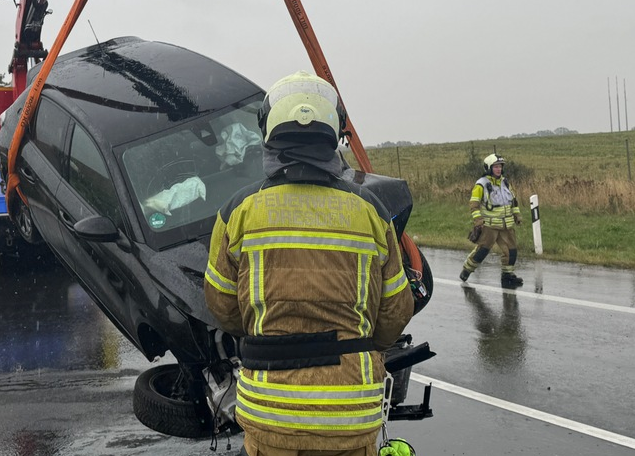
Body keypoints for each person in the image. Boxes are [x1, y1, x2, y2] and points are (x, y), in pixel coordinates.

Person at [204, 71, 415, 456]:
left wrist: (262, 333)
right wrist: (364, 346)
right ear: (334, 133)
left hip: (269, 412)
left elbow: (221, 306)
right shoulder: (371, 212)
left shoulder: (238, 212)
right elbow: (396, 310)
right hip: (350, 413)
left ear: (268, 131)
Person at [459, 153, 524, 288]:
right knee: (482, 251)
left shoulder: (505, 182)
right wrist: (478, 219)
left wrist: (517, 215)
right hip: (490, 226)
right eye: (495, 167)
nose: (499, 169)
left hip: (507, 225)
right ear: (489, 168)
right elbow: (474, 204)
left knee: (511, 251)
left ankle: (507, 276)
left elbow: (513, 201)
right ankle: (467, 270)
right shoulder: (481, 184)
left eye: (500, 166)